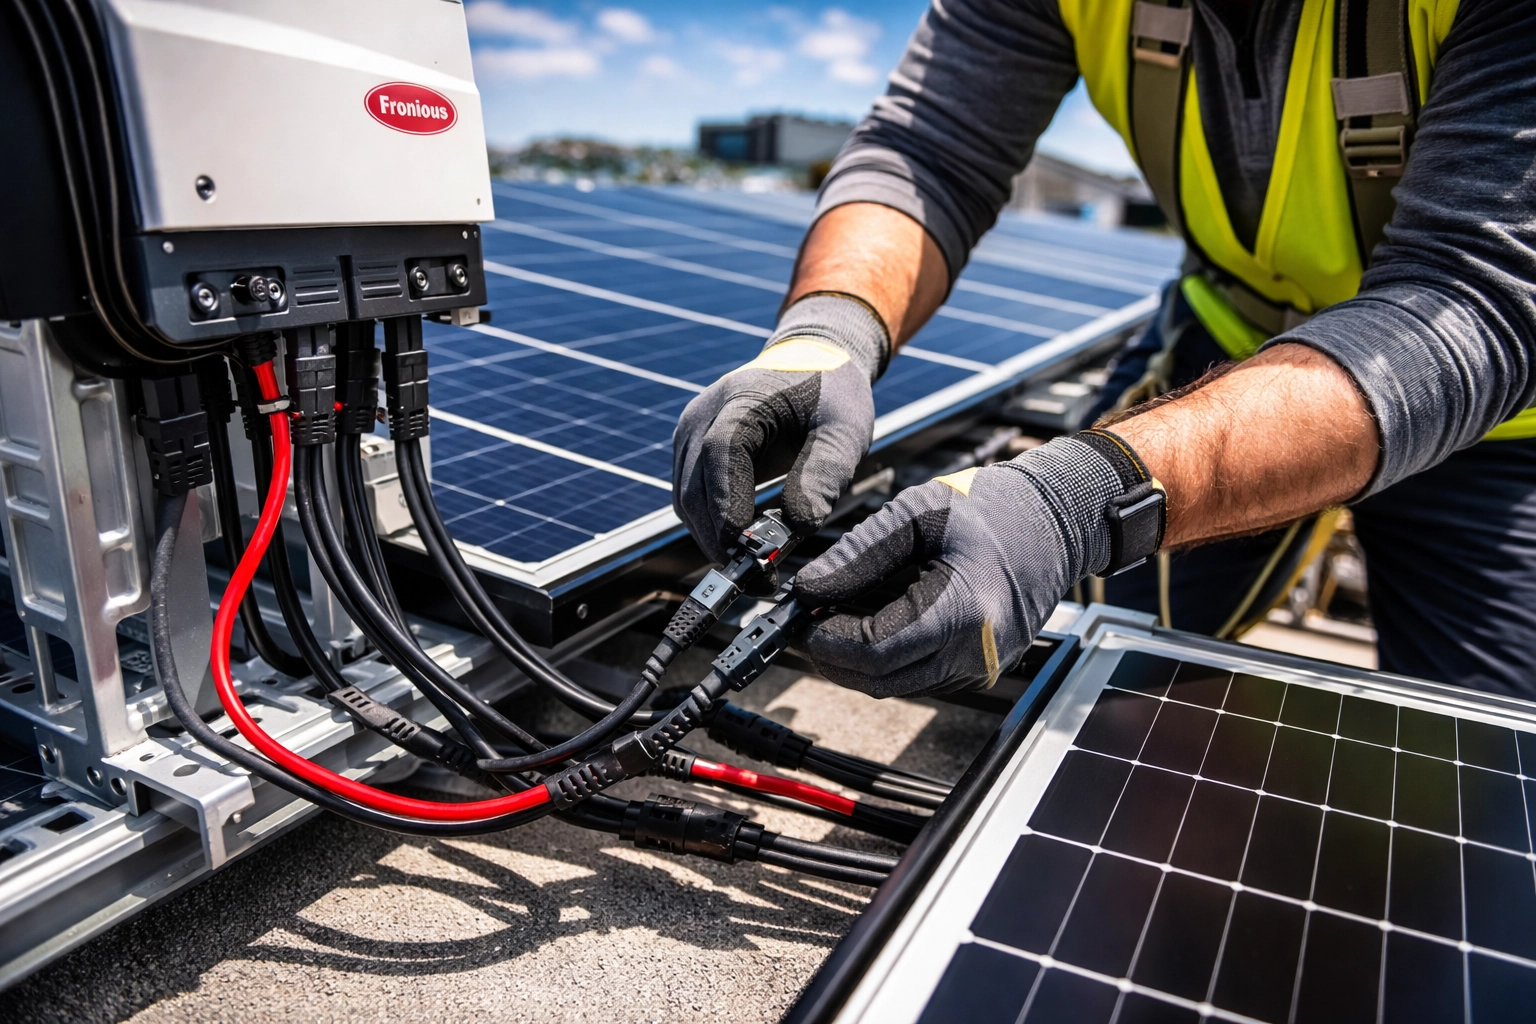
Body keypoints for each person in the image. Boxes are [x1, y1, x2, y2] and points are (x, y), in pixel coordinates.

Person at [672, 0, 1536, 699]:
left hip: (1495, 430)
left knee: (1485, 788)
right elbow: (931, 148)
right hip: (1232, 343)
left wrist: (1072, 504)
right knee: (1089, 665)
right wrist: (828, 333)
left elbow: (1471, 298)